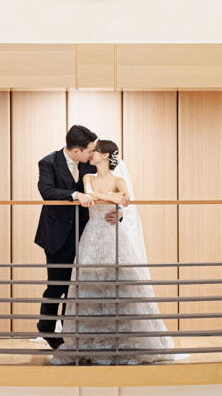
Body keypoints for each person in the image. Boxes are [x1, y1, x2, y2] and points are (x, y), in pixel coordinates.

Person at [49, 139, 175, 365]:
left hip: (114, 235)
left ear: (106, 155)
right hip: (92, 234)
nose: (91, 154)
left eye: (95, 151)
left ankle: (121, 339)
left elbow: (125, 203)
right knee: (89, 284)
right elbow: (88, 195)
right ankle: (88, 341)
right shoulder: (88, 178)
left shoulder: (119, 180)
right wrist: (112, 197)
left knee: (120, 283)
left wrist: (118, 207)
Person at [34, 125, 128, 350]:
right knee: (56, 285)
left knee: (75, 288)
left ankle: (68, 334)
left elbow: (109, 187)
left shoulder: (88, 163)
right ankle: (46, 329)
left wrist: (119, 212)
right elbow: (46, 191)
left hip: (86, 233)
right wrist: (76, 195)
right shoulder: (48, 162)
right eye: (89, 150)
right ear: (76, 151)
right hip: (56, 234)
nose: (92, 154)